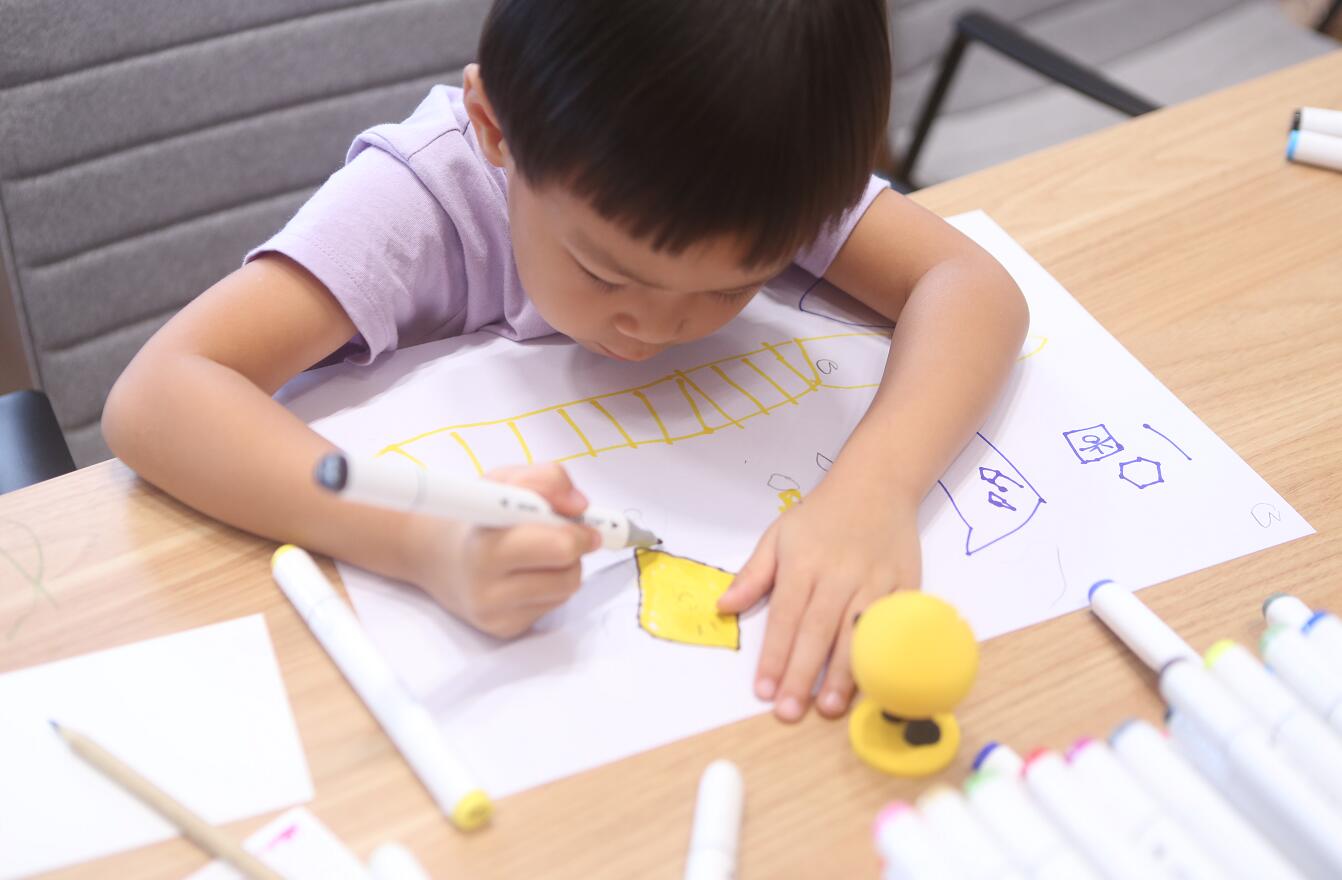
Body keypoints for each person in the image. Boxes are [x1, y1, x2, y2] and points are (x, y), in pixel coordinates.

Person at [103, 0, 1027, 723]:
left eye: (730, 286)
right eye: (605, 271)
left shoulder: (764, 167)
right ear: (495, 128)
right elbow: (157, 396)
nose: (657, 325)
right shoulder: (420, 197)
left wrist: (873, 489)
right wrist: (419, 541)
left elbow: (973, 286)